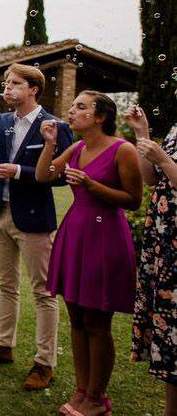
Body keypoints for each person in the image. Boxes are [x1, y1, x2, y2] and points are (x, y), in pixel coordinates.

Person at [0, 64, 72, 391]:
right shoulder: (4, 120)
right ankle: (3, 346)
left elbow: (62, 176)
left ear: (33, 89)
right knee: (5, 284)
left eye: (15, 84)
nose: (7, 88)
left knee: (43, 291)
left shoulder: (54, 126)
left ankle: (44, 363)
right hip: (2, 211)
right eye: (6, 83)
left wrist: (21, 171)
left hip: (34, 218)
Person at [35, 91, 142, 415]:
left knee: (97, 320)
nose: (72, 110)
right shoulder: (77, 147)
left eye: (81, 106)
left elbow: (134, 199)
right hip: (76, 233)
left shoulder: (123, 150)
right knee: (77, 318)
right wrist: (50, 144)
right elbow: (43, 175)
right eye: (74, 105)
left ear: (100, 116)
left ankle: (97, 398)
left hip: (105, 236)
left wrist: (92, 186)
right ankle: (82, 392)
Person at [126, 104, 177, 416]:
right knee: (172, 333)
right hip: (165, 241)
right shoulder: (175, 128)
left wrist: (163, 159)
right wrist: (142, 135)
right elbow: (152, 180)